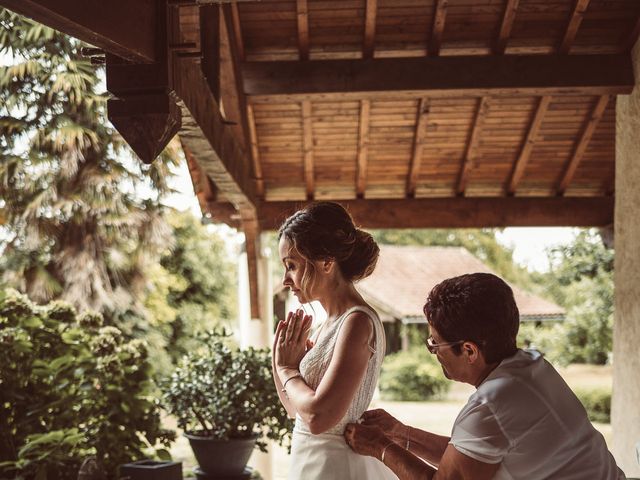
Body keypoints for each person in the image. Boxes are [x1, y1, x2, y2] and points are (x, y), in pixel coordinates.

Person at [344, 273, 625, 480]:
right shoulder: (533, 366)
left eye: (435, 343)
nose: (433, 351)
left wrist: (380, 446)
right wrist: (400, 432)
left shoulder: (489, 406)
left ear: (469, 350)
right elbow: (468, 455)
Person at [272, 201, 397, 479]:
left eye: (291, 265)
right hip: (309, 459)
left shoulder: (357, 322)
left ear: (326, 262)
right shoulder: (324, 326)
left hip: (335, 465)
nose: (285, 280)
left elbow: (319, 418)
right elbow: (296, 411)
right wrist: (278, 357)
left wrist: (287, 370)